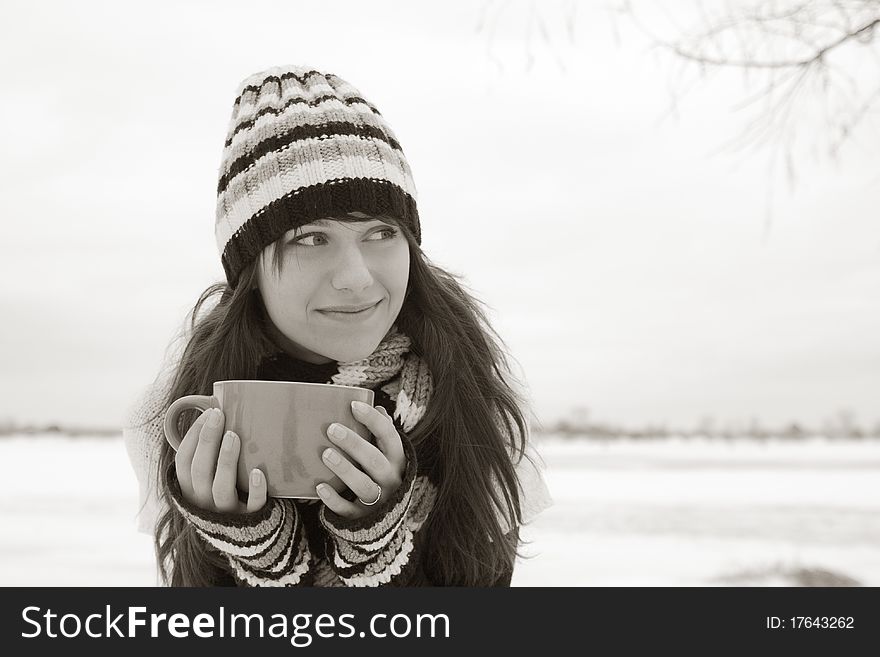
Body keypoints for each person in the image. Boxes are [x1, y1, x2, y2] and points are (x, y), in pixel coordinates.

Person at [124, 65, 552, 587]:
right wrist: (255, 551)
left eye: (381, 232)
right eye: (310, 238)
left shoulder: (476, 401)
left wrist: (376, 546)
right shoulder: (176, 418)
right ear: (249, 270)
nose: (357, 277)